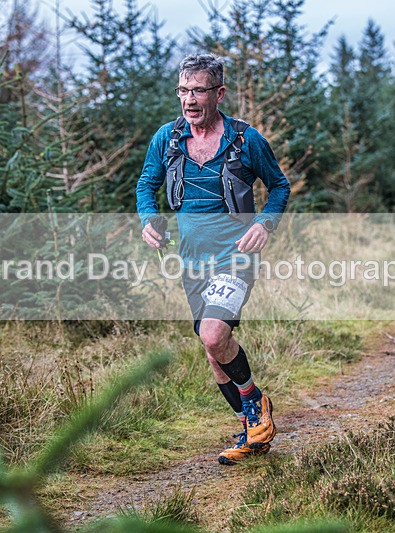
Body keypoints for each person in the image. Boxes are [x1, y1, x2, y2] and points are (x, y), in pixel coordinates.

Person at [135, 53, 290, 465]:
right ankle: (250, 429)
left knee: (213, 335)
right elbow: (146, 183)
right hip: (191, 261)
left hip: (235, 256)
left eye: (198, 90)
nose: (189, 99)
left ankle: (256, 405)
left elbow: (279, 186)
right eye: (183, 90)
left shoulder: (245, 140)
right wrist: (149, 220)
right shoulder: (166, 139)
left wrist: (265, 224)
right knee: (212, 349)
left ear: (218, 93)